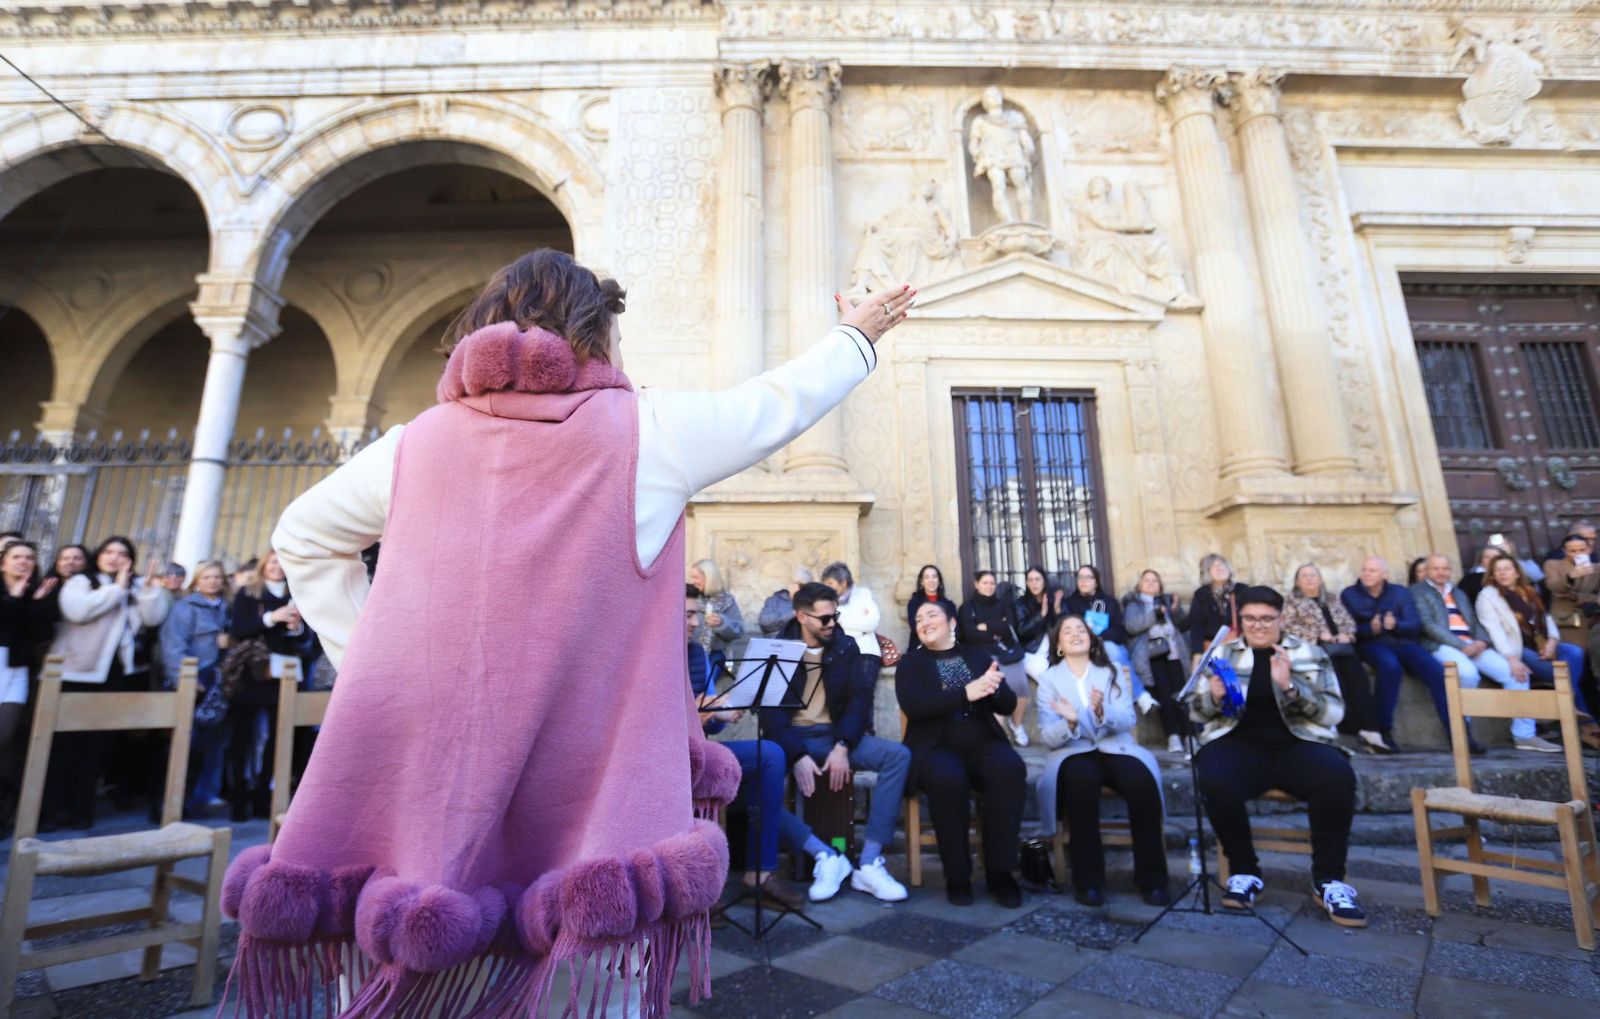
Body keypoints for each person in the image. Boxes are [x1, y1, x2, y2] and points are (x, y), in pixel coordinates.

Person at [227, 248, 915, 1014]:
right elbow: (776, 403)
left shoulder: (414, 442)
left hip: (432, 756)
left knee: (403, 947)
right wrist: (858, 332)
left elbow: (302, 535)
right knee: (595, 961)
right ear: (595, 335)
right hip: (592, 770)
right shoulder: (647, 431)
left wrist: (371, 663)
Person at [1190, 586, 1367, 928]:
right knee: (1211, 773)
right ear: (1239, 619)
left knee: (1337, 775)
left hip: (1297, 745)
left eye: (1266, 619)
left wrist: (1290, 688)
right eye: (1250, 619)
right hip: (1239, 746)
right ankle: (1244, 871)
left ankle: (1328, 880)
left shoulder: (1308, 653)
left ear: (1281, 618)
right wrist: (1211, 698)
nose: (1258, 626)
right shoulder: (1222, 655)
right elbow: (1198, 714)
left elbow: (1333, 714)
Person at [763, 582, 910, 903]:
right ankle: (826, 856)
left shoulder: (845, 647)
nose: (833, 624)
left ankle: (869, 863)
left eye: (835, 616)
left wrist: (843, 745)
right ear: (802, 617)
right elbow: (770, 715)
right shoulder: (778, 650)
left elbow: (859, 701)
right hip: (795, 739)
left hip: (836, 737)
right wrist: (797, 755)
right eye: (825, 619)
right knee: (753, 779)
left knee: (897, 756)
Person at [685, 585, 807, 915]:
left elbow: (710, 722)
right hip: (664, 757)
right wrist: (708, 708)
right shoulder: (648, 651)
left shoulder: (697, 654)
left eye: (695, 614)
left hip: (699, 750)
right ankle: (694, 883)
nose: (695, 623)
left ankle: (759, 873)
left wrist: (721, 711)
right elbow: (658, 712)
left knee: (769, 755)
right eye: (688, 615)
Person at [898, 599, 1026, 907]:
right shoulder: (910, 663)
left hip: (981, 742)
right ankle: (957, 875)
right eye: (919, 619)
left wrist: (994, 688)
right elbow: (914, 706)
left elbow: (1007, 705)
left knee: (1009, 767)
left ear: (952, 622)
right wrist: (965, 693)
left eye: (932, 615)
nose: (924, 622)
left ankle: (1000, 872)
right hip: (933, 746)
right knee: (948, 777)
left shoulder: (977, 657)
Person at [1036, 615, 1169, 907]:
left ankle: (1152, 879)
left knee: (1141, 781)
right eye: (1067, 631)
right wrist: (1069, 723)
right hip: (1074, 751)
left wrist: (1101, 712)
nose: (1074, 634)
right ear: (1058, 645)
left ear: (1091, 639)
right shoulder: (1048, 680)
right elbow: (1047, 735)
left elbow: (1127, 718)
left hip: (1114, 746)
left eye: (1080, 630)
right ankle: (1089, 881)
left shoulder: (1112, 672)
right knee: (1081, 783)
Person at [42, 536, 169, 828]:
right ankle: (49, 812)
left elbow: (152, 619)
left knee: (96, 744)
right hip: (76, 670)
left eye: (122, 553)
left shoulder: (135, 585)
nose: (114, 558)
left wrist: (148, 589)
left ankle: (81, 811)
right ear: (98, 555)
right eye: (108, 551)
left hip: (115, 672)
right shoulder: (81, 582)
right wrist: (117, 589)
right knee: (63, 745)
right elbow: (78, 611)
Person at [1412, 554, 1555, 754]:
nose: (1441, 572)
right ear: (1426, 571)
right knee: (1468, 674)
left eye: (1445, 568)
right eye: (1436, 568)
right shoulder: (1417, 591)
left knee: (1517, 673)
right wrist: (1461, 645)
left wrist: (1481, 641)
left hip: (1473, 644)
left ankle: (1524, 735)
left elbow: (1475, 622)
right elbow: (1428, 626)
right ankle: (1463, 731)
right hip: (1441, 645)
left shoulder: (1458, 592)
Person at [226, 549, 318, 822]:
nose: (278, 567)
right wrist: (272, 618)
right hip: (253, 672)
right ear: (265, 565)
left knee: (278, 739)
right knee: (242, 738)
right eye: (274, 562)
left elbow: (305, 637)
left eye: (283, 562)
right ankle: (239, 799)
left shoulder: (298, 593)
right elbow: (239, 630)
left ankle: (264, 800)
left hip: (288, 672)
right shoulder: (249, 592)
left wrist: (296, 627)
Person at [1476, 554, 1599, 749]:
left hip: (1541, 643)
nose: (1502, 573)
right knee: (1558, 673)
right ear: (1492, 575)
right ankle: (1574, 710)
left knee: (1575, 653)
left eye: (1507, 568)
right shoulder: (1488, 596)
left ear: (1517, 572)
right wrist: (1511, 658)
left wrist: (1551, 642)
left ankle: (1567, 702)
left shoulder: (1528, 591)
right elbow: (1494, 630)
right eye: (1497, 570)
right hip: (1519, 648)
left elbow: (1546, 619)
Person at [1340, 556, 1450, 754]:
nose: (1366, 574)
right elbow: (1350, 631)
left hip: (1404, 642)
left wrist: (1396, 625)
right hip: (1372, 644)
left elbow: (1415, 625)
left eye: (1372, 571)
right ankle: (1383, 730)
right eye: (1364, 569)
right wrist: (1370, 629)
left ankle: (1457, 732)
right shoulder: (1349, 594)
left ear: (1384, 574)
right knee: (1390, 667)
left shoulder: (1400, 592)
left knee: (1436, 672)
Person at [1283, 564, 1390, 754]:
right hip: (1315, 651)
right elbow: (1288, 628)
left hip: (1342, 649)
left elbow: (1348, 622)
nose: (1309, 579)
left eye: (1313, 575)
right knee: (1337, 683)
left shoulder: (1332, 598)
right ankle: (1345, 733)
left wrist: (1347, 635)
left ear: (1320, 579)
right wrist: (1317, 635)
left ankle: (1372, 733)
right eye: (1304, 576)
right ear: (1297, 582)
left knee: (1359, 681)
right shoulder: (1291, 601)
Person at [159, 561, 234, 816]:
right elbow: (172, 646)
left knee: (210, 746)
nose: (212, 581)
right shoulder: (185, 608)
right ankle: (169, 805)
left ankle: (197, 800)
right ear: (197, 581)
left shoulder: (227, 608)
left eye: (217, 577)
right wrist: (186, 678)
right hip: (195, 679)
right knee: (183, 744)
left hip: (217, 681)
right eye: (207, 577)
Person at [1064, 564, 1152, 713]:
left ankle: (1138, 698)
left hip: (1108, 645)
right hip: (1083, 650)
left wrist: (1100, 636)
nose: (1083, 581)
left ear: (1096, 582)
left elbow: (1120, 631)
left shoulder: (1110, 602)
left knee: (1112, 650)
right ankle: (1140, 695)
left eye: (1088, 577)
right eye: (1080, 577)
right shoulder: (1070, 603)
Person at [958, 570, 1030, 745]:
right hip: (980, 654)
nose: (989, 586)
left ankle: (1017, 724)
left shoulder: (1004, 604)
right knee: (994, 689)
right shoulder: (968, 607)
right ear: (977, 584)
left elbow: (1009, 627)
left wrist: (986, 626)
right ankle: (1000, 732)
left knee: (1021, 685)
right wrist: (995, 631)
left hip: (1006, 652)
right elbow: (969, 634)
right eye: (985, 583)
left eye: (992, 583)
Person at [1123, 569, 1190, 752]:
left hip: (1174, 654)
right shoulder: (1133, 606)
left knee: (1181, 694)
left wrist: (1175, 611)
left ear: (1160, 586)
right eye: (1146, 580)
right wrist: (1155, 614)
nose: (1151, 583)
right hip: (1151, 657)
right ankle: (1173, 736)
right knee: (1165, 696)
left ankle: (1189, 736)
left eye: (1155, 581)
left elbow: (1183, 626)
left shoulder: (1168, 602)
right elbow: (1131, 626)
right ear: (1139, 586)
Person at [822, 561, 881, 667]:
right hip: (840, 652)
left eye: (830, 583)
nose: (827, 587)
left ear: (843, 582)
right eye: (825, 584)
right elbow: (828, 625)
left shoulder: (863, 594)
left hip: (866, 651)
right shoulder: (828, 602)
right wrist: (860, 628)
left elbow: (872, 623)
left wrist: (840, 617)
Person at [690, 558, 745, 658]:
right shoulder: (690, 599)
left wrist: (722, 623)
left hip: (717, 655)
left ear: (708, 578)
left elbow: (738, 631)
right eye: (692, 577)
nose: (693, 582)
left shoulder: (727, 601)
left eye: (696, 578)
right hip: (691, 653)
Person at [1189, 553, 1242, 658]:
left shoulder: (1241, 590)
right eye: (1213, 566)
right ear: (1206, 572)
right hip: (1213, 651)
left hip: (1239, 648)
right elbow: (1196, 627)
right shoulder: (1201, 594)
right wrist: (1197, 654)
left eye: (1222, 564)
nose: (1219, 568)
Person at [1015, 564, 1062, 661]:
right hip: (1032, 650)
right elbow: (1022, 631)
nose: (1034, 583)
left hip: (1055, 648)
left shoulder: (1054, 600)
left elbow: (1065, 627)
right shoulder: (1020, 604)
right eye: (1030, 580)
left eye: (1037, 579)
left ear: (1044, 582)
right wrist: (1041, 615)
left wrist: (1057, 610)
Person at [906, 563, 957, 650]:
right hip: (921, 648)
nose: (931, 580)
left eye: (934, 577)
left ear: (939, 581)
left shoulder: (949, 604)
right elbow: (915, 627)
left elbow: (954, 627)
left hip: (945, 648)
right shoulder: (914, 603)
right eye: (927, 577)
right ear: (922, 582)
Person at [758, 565, 814, 637]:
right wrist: (793, 614)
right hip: (778, 643)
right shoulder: (774, 601)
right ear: (790, 584)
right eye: (796, 583)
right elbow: (765, 623)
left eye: (802, 585)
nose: (798, 588)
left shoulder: (812, 603)